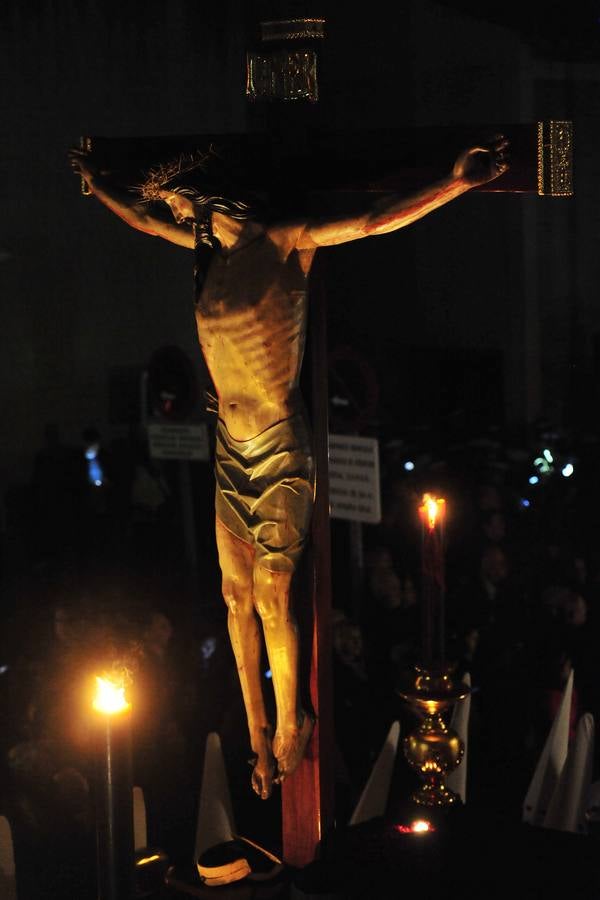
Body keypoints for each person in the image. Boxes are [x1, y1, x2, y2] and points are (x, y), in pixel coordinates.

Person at [68, 134, 509, 799]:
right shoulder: (205, 253)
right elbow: (143, 218)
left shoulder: (284, 240)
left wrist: (456, 183)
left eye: (183, 208)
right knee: (234, 595)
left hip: (276, 445)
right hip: (228, 446)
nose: (179, 220)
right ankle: (256, 735)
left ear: (207, 199)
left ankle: (288, 722)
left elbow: (371, 220)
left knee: (275, 590)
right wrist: (100, 186)